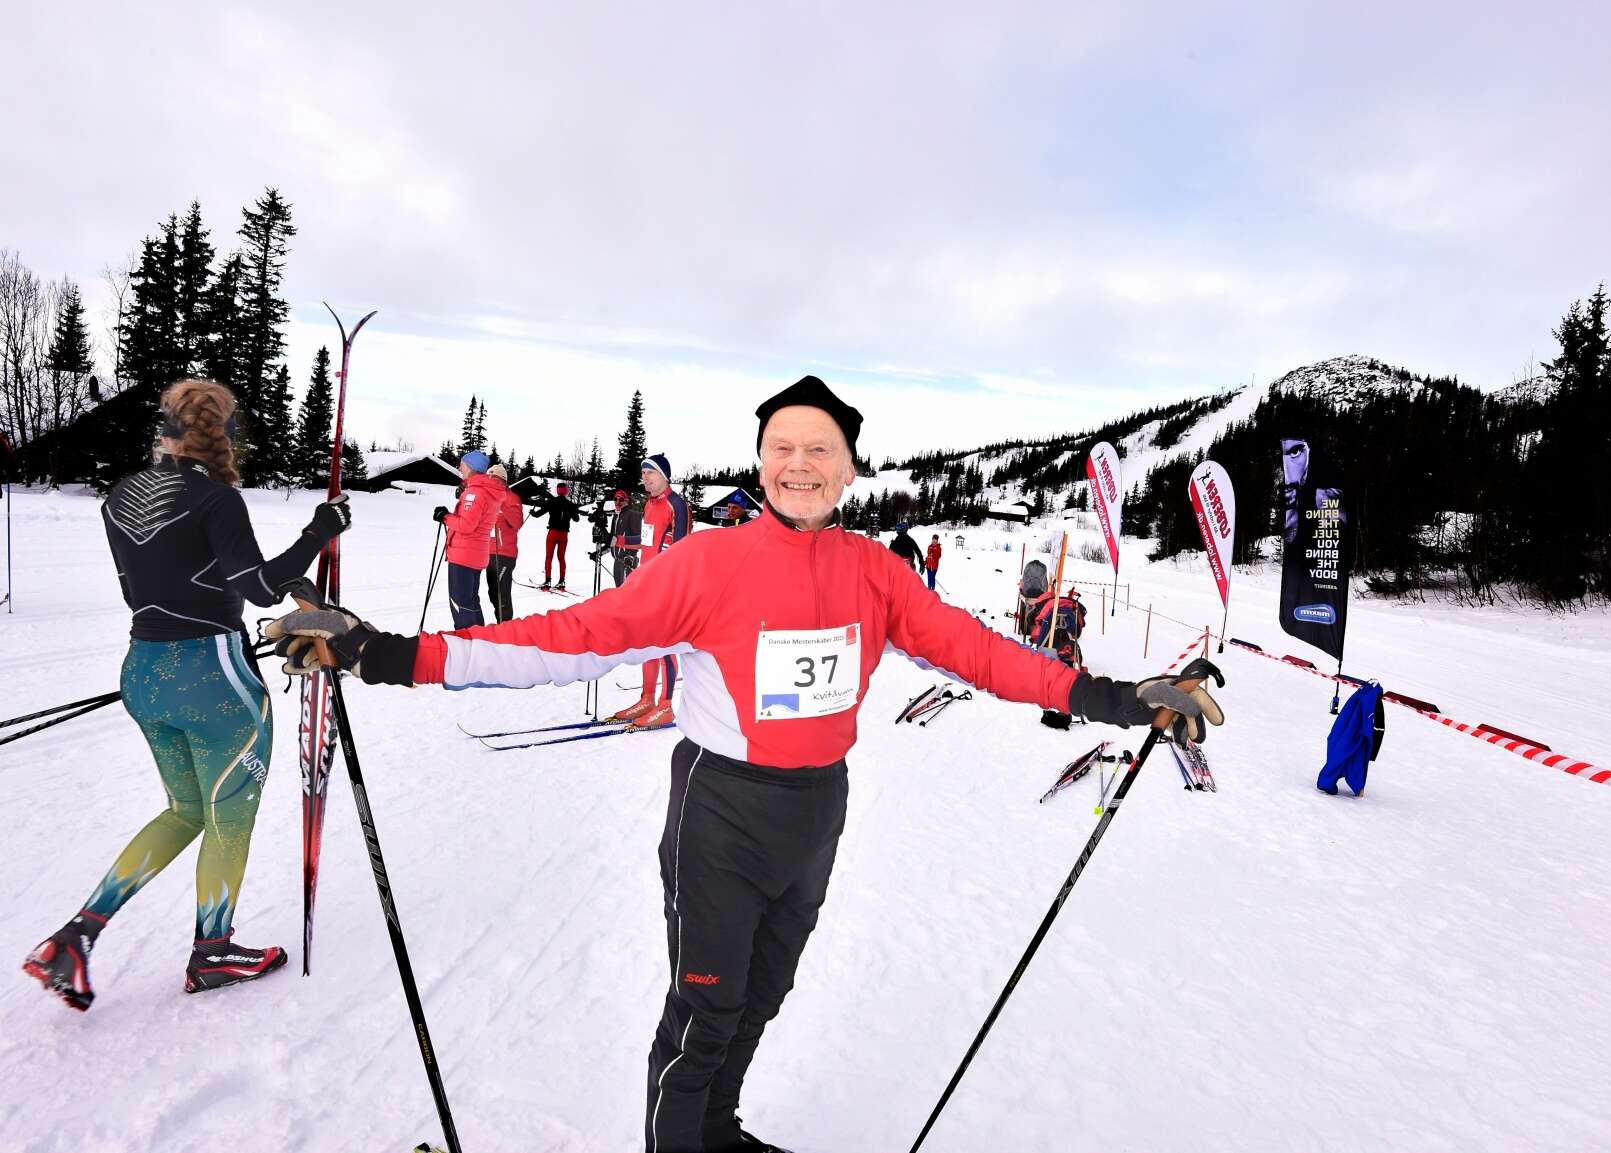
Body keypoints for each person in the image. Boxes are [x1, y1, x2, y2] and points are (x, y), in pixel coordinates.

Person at [263, 373, 1224, 1153]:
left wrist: (1112, 697)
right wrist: (392, 653)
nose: (800, 464)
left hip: (815, 815)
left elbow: (980, 654)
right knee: (705, 1013)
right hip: (720, 815)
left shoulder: (876, 572)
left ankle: (715, 1133)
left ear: (849, 468)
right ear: (762, 461)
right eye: (782, 447)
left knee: (764, 996)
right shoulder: (708, 563)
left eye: (820, 449)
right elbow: (571, 638)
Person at [21, 379, 352, 1011]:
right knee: (229, 816)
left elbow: (153, 583)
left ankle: (76, 936)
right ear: (222, 435)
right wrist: (320, 530)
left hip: (144, 672)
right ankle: (213, 951)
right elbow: (257, 587)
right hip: (213, 678)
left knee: (183, 810)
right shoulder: (216, 498)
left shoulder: (120, 496)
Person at [608, 454, 691, 729]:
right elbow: (647, 542)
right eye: (643, 473)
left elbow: (680, 549)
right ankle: (647, 698)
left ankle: (666, 705)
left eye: (650, 473)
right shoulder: (649, 505)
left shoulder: (675, 504)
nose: (644, 478)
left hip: (666, 586)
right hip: (646, 582)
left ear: (664, 476)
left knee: (665, 645)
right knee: (647, 644)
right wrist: (618, 541)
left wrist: (667, 583)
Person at [434, 450, 505, 629]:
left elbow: (466, 525)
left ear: (471, 467)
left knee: (460, 603)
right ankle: (479, 638)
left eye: (462, 465)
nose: (460, 468)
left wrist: (444, 517)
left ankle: (466, 640)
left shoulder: (476, 492)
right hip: (475, 554)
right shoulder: (486, 490)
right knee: (471, 601)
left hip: (464, 556)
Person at [485, 464, 525, 622]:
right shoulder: (488, 497)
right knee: (493, 594)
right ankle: (501, 626)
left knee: (502, 595)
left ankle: (506, 628)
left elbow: (517, 522)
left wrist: (499, 504)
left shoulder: (511, 497)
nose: (490, 482)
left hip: (504, 554)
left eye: (493, 479)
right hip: (489, 552)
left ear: (502, 480)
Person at [528, 480, 579, 589]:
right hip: (564, 534)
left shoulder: (551, 502)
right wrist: (572, 511)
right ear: (566, 492)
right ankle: (562, 581)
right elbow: (577, 519)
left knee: (549, 557)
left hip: (553, 533)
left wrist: (532, 512)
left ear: (557, 491)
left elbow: (537, 514)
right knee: (561, 557)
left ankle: (548, 581)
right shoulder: (570, 504)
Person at [607, 488, 643, 587]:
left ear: (626, 501)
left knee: (626, 591)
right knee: (619, 589)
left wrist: (631, 556)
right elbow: (614, 537)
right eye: (615, 499)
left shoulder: (632, 515)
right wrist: (602, 550)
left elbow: (638, 537)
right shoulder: (616, 516)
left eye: (621, 499)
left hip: (627, 562)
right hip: (617, 560)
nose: (617, 502)